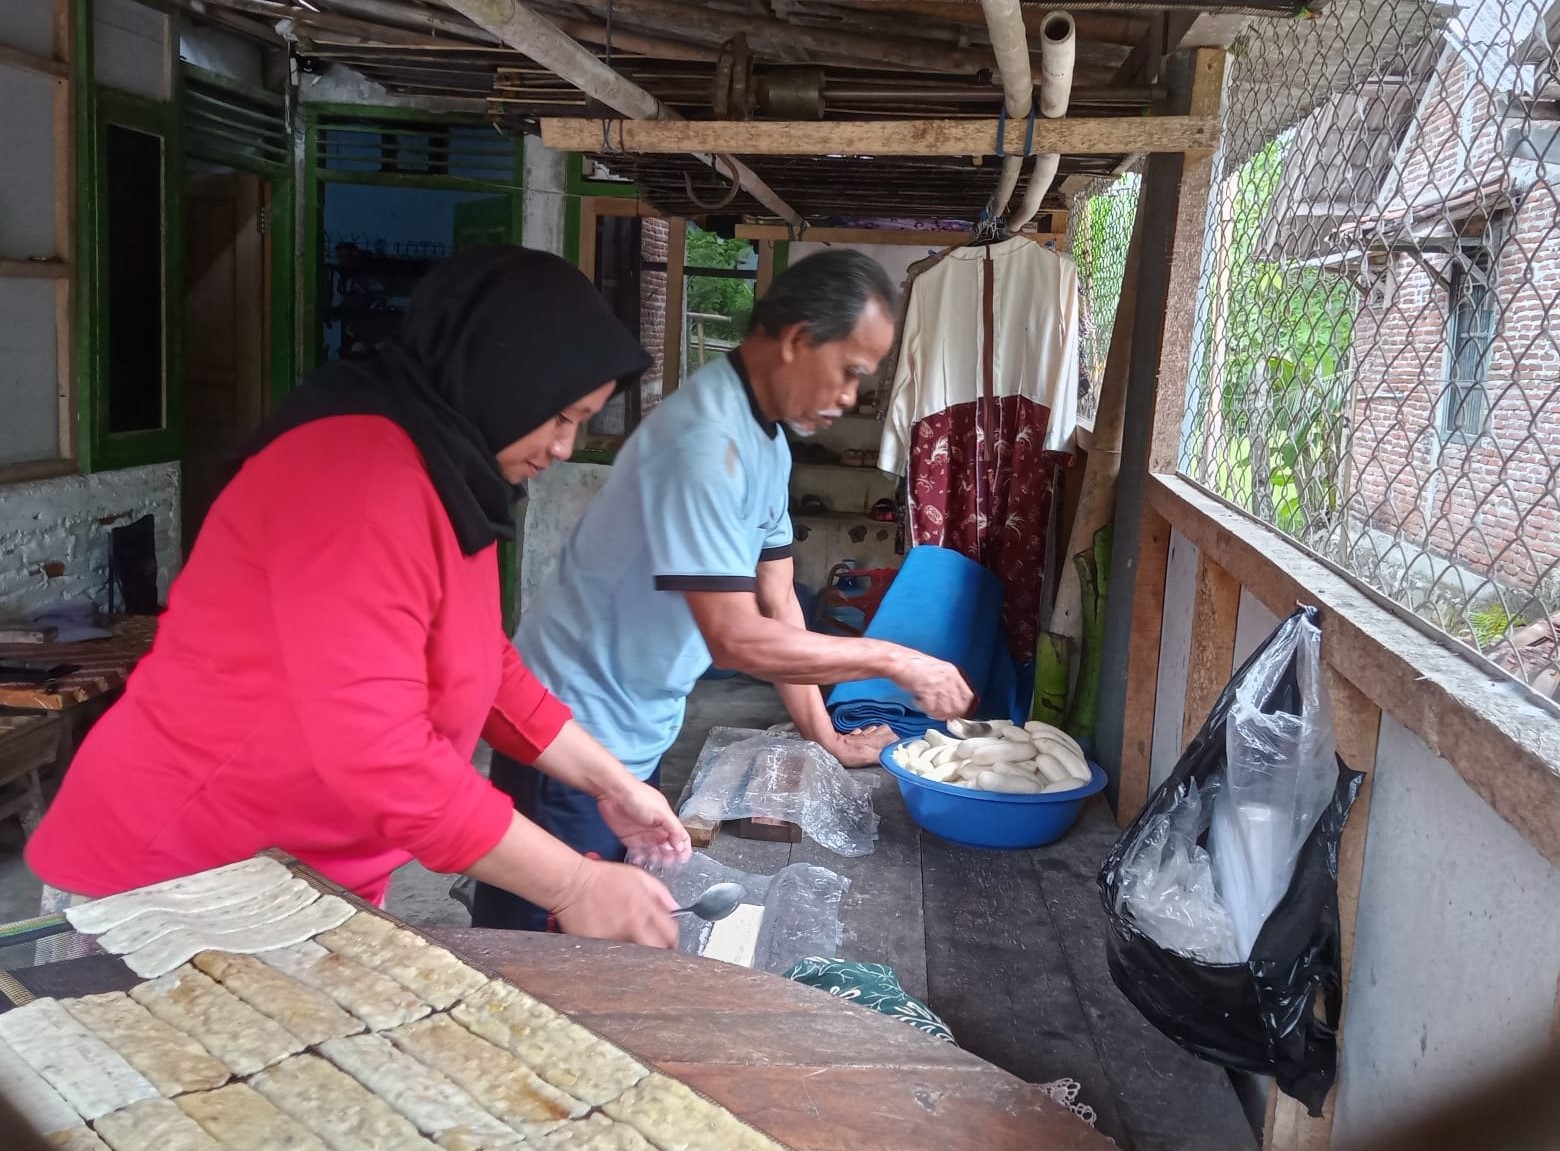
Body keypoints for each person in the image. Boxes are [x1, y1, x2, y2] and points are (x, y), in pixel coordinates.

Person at [26, 246, 689, 949]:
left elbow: (479, 659)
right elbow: (382, 753)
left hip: (292, 878)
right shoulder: (358, 475)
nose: (565, 446)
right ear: (510, 375)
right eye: (562, 416)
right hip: (181, 878)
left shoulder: (456, 471)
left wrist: (611, 781)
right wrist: (575, 884)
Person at [472, 249, 975, 932]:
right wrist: (896, 659)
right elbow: (736, 635)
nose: (853, 397)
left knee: (600, 929)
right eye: (852, 371)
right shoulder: (705, 444)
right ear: (798, 339)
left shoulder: (763, 440)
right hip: (566, 729)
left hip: (629, 735)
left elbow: (779, 602)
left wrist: (824, 735)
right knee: (536, 950)